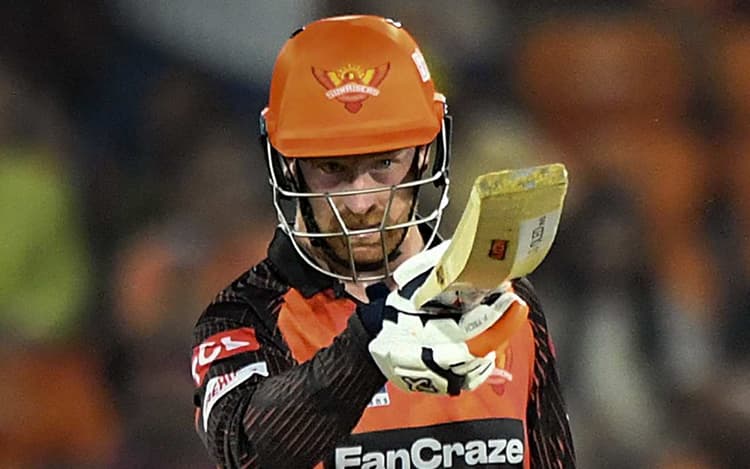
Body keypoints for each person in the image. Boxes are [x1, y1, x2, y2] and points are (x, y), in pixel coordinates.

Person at [191, 15, 575, 469]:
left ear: (425, 153)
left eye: (384, 163)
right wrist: (369, 346)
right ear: (288, 164)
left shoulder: (505, 299)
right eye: (332, 168)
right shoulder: (243, 316)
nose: (361, 202)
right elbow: (244, 451)